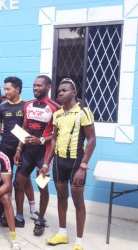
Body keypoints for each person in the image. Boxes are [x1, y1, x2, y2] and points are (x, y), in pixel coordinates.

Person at [42, 78, 96, 250]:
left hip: (76, 162)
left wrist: (83, 166)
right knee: (60, 197)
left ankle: (79, 241)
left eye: (65, 90)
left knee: (78, 201)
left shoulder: (83, 112)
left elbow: (92, 140)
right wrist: (46, 163)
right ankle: (63, 233)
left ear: (74, 92)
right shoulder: (57, 114)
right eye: (59, 91)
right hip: (59, 161)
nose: (60, 93)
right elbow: (54, 141)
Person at [13, 75, 60, 235]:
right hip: (27, 152)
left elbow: (56, 135)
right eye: (34, 85)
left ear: (48, 87)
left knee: (42, 185)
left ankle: (40, 219)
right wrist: (19, 149)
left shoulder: (55, 107)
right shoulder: (28, 105)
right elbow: (24, 128)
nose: (35, 88)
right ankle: (19, 216)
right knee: (18, 183)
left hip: (44, 154)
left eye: (39, 85)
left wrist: (40, 140)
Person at [0, 76, 37, 227]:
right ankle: (7, 209)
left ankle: (32, 208)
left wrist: (22, 147)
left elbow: (29, 128)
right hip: (5, 147)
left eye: (8, 89)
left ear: (17, 89)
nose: (5, 92)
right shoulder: (1, 107)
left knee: (24, 180)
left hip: (23, 149)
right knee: (6, 180)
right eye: (4, 89)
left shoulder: (26, 106)